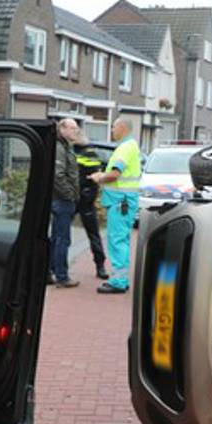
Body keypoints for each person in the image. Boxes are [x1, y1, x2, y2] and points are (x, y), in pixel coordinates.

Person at [91, 118, 142, 294]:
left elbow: (114, 174)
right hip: (125, 200)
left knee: (117, 240)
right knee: (122, 240)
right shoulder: (132, 146)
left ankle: (119, 282)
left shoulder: (124, 148)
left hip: (120, 201)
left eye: (113, 127)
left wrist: (100, 177)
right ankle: (121, 278)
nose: (112, 130)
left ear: (121, 127)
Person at [49, 119, 82, 288]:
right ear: (62, 129)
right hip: (62, 200)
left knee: (56, 238)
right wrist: (70, 195)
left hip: (61, 199)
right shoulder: (60, 148)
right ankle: (62, 276)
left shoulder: (65, 146)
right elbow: (58, 175)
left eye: (77, 128)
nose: (76, 131)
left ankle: (50, 272)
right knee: (63, 239)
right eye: (73, 128)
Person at [72, 132, 109, 280]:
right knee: (93, 234)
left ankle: (100, 265)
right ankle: (100, 267)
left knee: (92, 234)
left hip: (83, 198)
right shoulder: (73, 152)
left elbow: (94, 177)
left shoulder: (88, 153)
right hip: (82, 198)